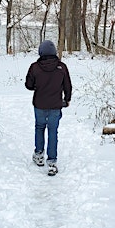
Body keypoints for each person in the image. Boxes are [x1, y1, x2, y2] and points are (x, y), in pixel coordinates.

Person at [25, 40, 72, 176]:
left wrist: (37, 86)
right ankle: (52, 162)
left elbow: (28, 85)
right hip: (55, 106)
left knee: (39, 127)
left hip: (39, 105)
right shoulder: (62, 67)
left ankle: (39, 154)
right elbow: (68, 86)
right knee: (53, 131)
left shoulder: (34, 67)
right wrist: (67, 99)